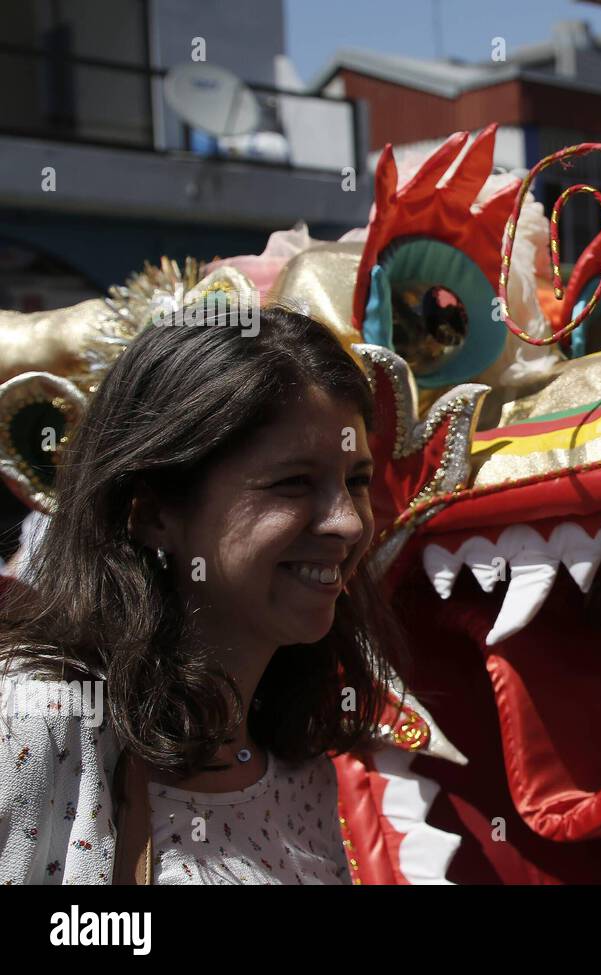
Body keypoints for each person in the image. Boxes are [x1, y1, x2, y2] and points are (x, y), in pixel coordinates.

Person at [0, 305, 401, 884]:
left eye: (356, 481)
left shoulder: (306, 778)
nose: (347, 523)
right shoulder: (41, 726)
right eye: (293, 482)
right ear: (153, 511)